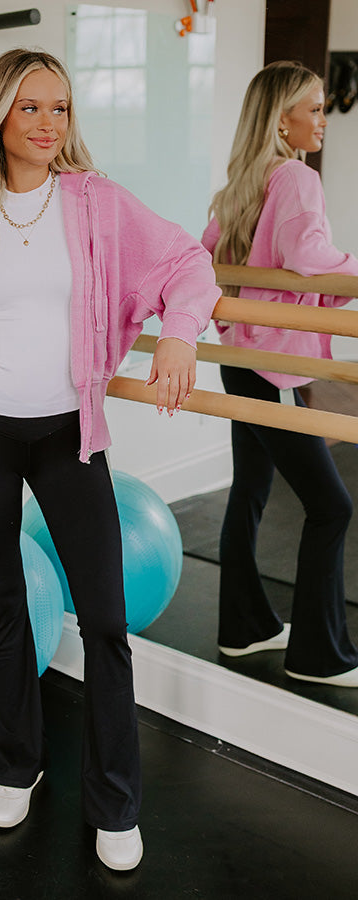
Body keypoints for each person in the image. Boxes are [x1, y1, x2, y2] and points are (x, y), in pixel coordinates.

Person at [0, 48, 221, 871]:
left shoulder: (95, 203)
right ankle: (17, 766)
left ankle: (116, 802)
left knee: (106, 621)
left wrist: (181, 335)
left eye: (61, 108)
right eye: (31, 108)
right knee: (2, 608)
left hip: (66, 436)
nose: (49, 124)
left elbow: (187, 262)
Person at [202, 60, 358, 687]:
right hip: (273, 369)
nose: (322, 120)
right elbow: (307, 254)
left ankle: (245, 628)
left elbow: (209, 253)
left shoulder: (244, 183)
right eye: (313, 108)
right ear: (281, 118)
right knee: (331, 506)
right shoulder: (295, 175)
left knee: (251, 489)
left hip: (242, 363)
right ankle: (319, 656)